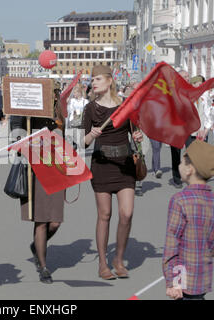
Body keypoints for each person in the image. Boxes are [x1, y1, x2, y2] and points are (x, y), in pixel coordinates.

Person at [83, 65, 143, 280]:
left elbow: (135, 131)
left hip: (125, 163)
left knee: (126, 213)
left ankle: (118, 259)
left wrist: (138, 136)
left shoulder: (126, 106)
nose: (93, 83)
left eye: (98, 79)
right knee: (105, 215)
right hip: (102, 164)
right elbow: (82, 141)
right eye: (92, 80)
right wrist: (91, 134)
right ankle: (103, 263)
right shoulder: (90, 108)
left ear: (110, 81)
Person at [163, 140, 214, 300]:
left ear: (189, 169)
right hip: (203, 279)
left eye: (181, 161)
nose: (179, 165)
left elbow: (172, 245)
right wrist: (204, 254)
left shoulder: (180, 200)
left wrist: (174, 282)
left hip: (183, 283)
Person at [15, 86, 67, 284]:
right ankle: (44, 266)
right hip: (35, 170)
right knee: (42, 220)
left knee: (55, 222)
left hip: (57, 169)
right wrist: (20, 141)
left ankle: (36, 246)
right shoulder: (30, 115)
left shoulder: (60, 115)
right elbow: (18, 133)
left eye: (54, 94)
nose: (52, 97)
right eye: (49, 93)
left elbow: (67, 140)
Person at [170, 70, 190, 189]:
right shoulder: (172, 91)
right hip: (175, 128)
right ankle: (177, 178)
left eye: (188, 76)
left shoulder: (190, 90)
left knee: (191, 152)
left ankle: (188, 175)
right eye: (185, 76)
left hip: (188, 127)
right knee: (176, 153)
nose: (187, 78)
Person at [185, 75, 211, 148]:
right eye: (199, 84)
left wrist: (203, 128)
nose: (201, 86)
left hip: (200, 128)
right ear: (193, 84)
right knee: (190, 150)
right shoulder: (187, 95)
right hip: (189, 129)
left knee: (200, 150)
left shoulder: (201, 95)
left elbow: (202, 113)